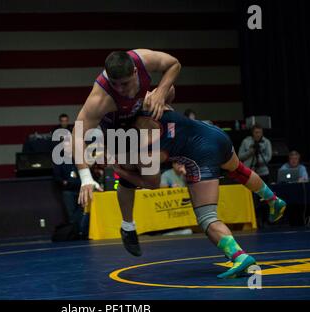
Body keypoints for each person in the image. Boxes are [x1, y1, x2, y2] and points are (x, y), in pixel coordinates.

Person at [112, 108, 286, 279]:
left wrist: (121, 171)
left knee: (206, 218)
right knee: (238, 170)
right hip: (215, 135)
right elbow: (169, 90)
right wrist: (162, 91)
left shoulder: (147, 152)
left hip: (201, 156)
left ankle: (239, 256)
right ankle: (273, 199)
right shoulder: (154, 107)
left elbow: (152, 184)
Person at [72, 49, 181, 250]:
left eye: (125, 83)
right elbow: (77, 135)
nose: (121, 89)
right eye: (115, 84)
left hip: (139, 113)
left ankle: (131, 165)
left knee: (170, 88)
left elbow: (174, 64)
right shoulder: (100, 99)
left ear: (134, 72)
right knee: (150, 181)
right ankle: (128, 225)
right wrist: (85, 177)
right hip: (116, 129)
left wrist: (161, 93)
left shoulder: (144, 60)